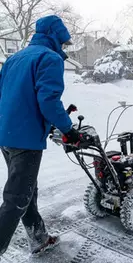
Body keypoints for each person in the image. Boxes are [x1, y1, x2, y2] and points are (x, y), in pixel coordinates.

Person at [0, 15, 80, 256]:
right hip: (26, 139)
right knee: (16, 198)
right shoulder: (49, 58)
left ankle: (39, 239)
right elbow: (48, 100)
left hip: (6, 135)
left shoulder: (14, 58)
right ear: (56, 37)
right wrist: (69, 129)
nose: (64, 47)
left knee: (26, 191)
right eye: (63, 42)